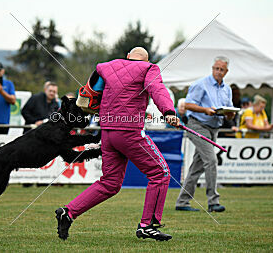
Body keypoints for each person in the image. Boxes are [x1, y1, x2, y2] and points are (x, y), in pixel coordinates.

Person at [55, 47, 180, 241]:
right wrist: (169, 112)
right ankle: (148, 225)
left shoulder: (105, 68)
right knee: (160, 173)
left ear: (128, 57)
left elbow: (89, 96)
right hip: (130, 131)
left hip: (107, 132)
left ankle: (68, 212)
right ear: (146, 60)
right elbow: (157, 89)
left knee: (110, 183)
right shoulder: (148, 69)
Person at [175, 56, 235, 213]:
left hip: (214, 128)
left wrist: (230, 115)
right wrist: (205, 110)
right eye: (216, 68)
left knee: (197, 167)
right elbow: (187, 104)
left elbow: (229, 110)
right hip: (197, 125)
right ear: (212, 68)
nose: (218, 72)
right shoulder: (201, 84)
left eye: (222, 70)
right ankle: (213, 201)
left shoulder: (227, 89)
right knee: (211, 161)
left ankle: (182, 201)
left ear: (226, 71)